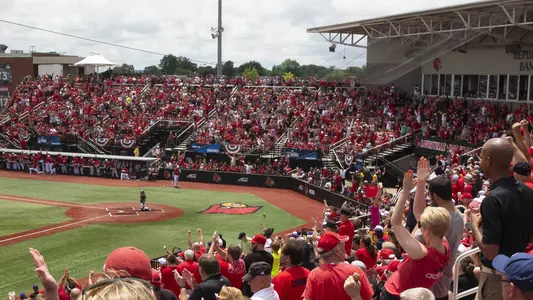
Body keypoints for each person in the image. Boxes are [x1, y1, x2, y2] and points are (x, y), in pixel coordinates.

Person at [470, 138, 533, 300]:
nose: (480, 161)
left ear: (488, 161)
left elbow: (491, 253)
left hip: (497, 278)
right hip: (520, 274)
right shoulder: (527, 192)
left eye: (482, 157)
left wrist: (474, 226)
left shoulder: (493, 199)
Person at [381, 170, 451, 300]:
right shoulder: (445, 246)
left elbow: (395, 223)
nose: (420, 226)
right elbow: (419, 213)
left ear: (428, 231)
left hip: (396, 293)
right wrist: (421, 182)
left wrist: (405, 191)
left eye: (421, 226)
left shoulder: (421, 253)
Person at [414, 157, 464, 300]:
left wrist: (421, 183)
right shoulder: (458, 215)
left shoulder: (439, 220)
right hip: (444, 277)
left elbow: (419, 216)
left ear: (435, 196)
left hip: (432, 280)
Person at [303, 231, 373, 300]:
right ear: (337, 250)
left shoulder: (314, 275)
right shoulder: (356, 271)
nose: (345, 249)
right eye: (343, 246)